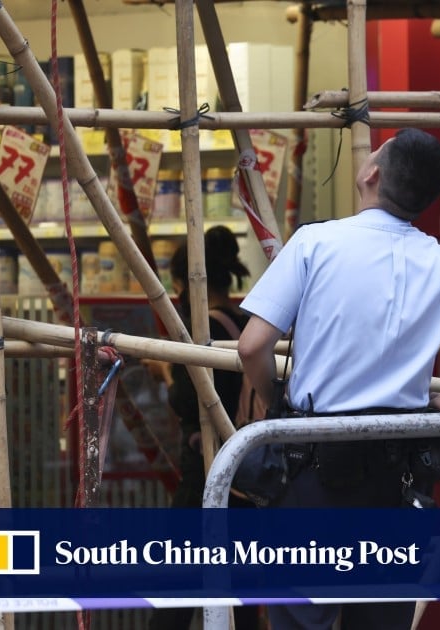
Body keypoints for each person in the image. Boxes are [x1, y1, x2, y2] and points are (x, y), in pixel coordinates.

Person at [237, 127, 440, 630]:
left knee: (299, 618)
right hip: (401, 473)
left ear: (372, 173)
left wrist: (274, 404)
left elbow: (251, 345)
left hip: (312, 465)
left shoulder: (315, 241)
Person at [146, 224, 259, 630]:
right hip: (246, 467)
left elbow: (187, 401)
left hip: (205, 468)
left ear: (182, 282)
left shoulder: (198, 331)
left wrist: (163, 369)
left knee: (177, 578)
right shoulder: (244, 320)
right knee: (242, 583)